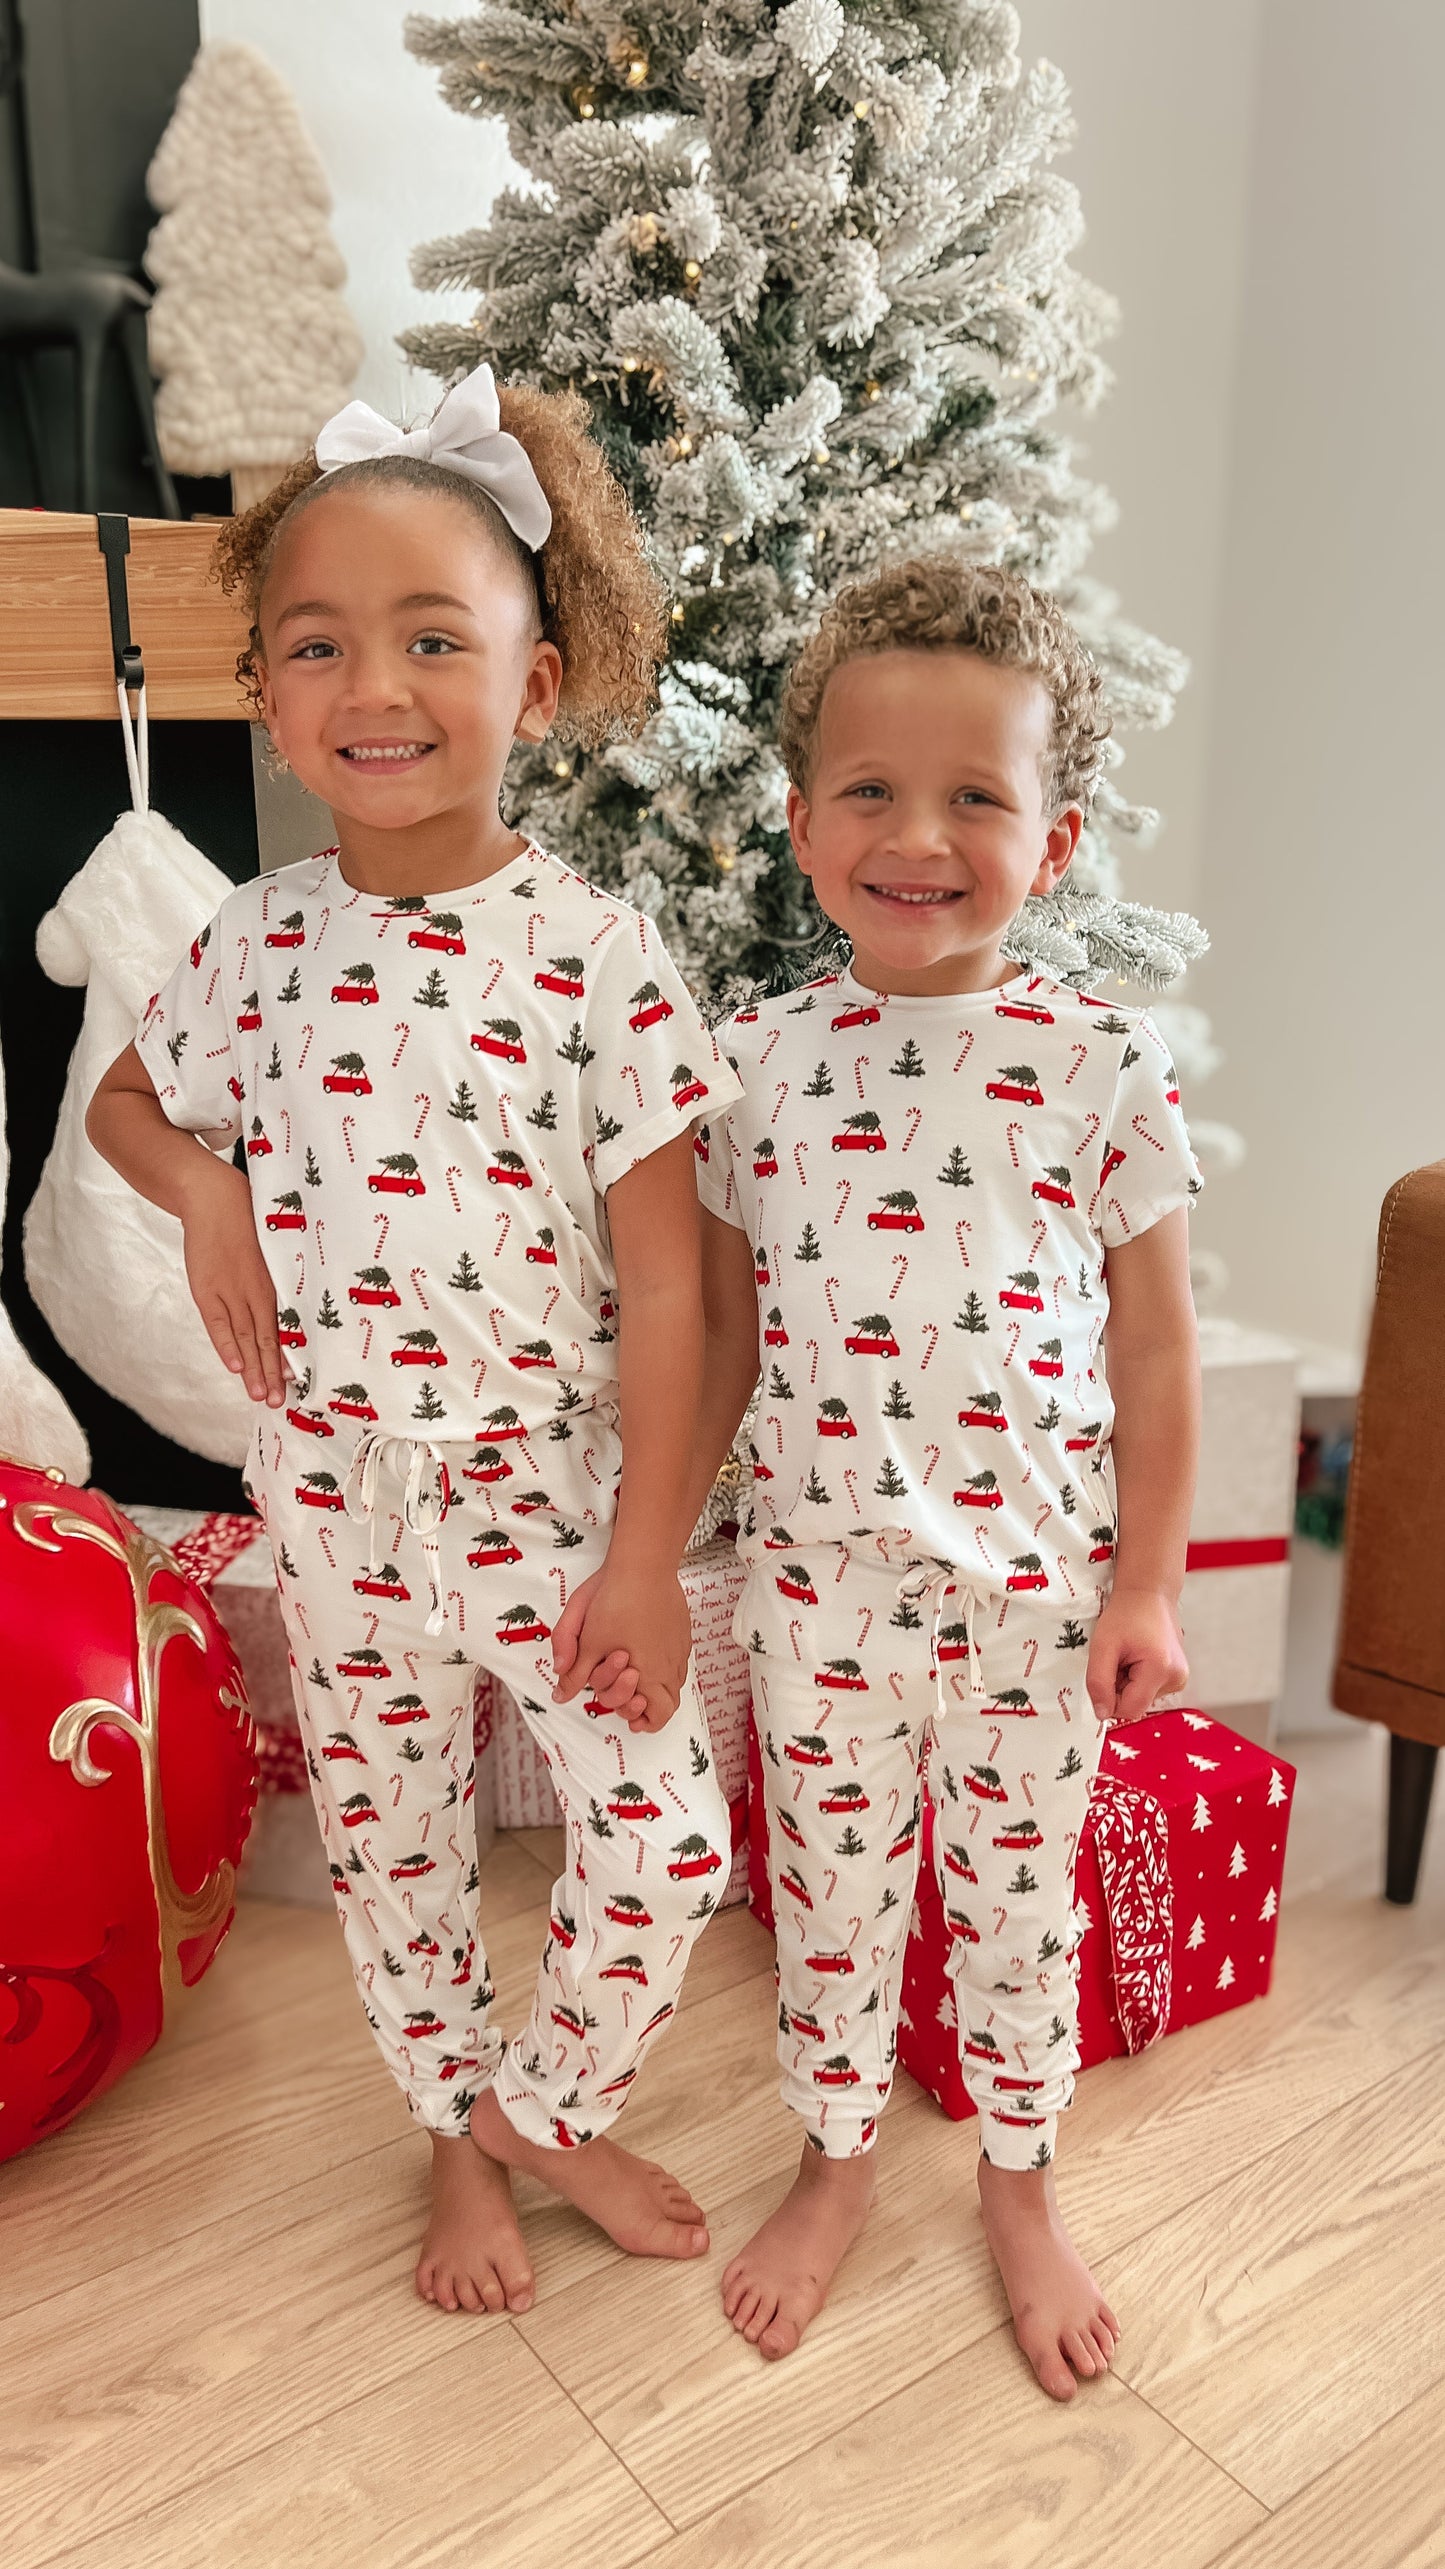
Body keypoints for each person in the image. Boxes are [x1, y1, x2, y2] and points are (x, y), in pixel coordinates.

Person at [87, 363, 744, 2319]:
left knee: (662, 1830)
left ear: (535, 686)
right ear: (272, 701)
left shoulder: (598, 958)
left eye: (432, 638)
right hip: (330, 1496)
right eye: (321, 646)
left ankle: (549, 2103)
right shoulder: (256, 937)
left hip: (541, 1504)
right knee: (397, 1849)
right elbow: (133, 1105)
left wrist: (643, 1555)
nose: (374, 686)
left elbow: (687, 1296)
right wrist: (205, 1185)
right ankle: (450, 2139)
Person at [683, 557, 1201, 2395]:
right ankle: (833, 2162)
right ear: (803, 820)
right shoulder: (749, 1064)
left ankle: (1019, 2177)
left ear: (1049, 837)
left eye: (975, 796)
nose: (920, 835)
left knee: (1017, 1899)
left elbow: (1151, 1346)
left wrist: (1143, 1581)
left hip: (1034, 1597)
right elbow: (725, 1340)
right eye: (872, 792)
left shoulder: (1093, 1061)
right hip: (817, 1584)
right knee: (827, 1898)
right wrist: (650, 1550)